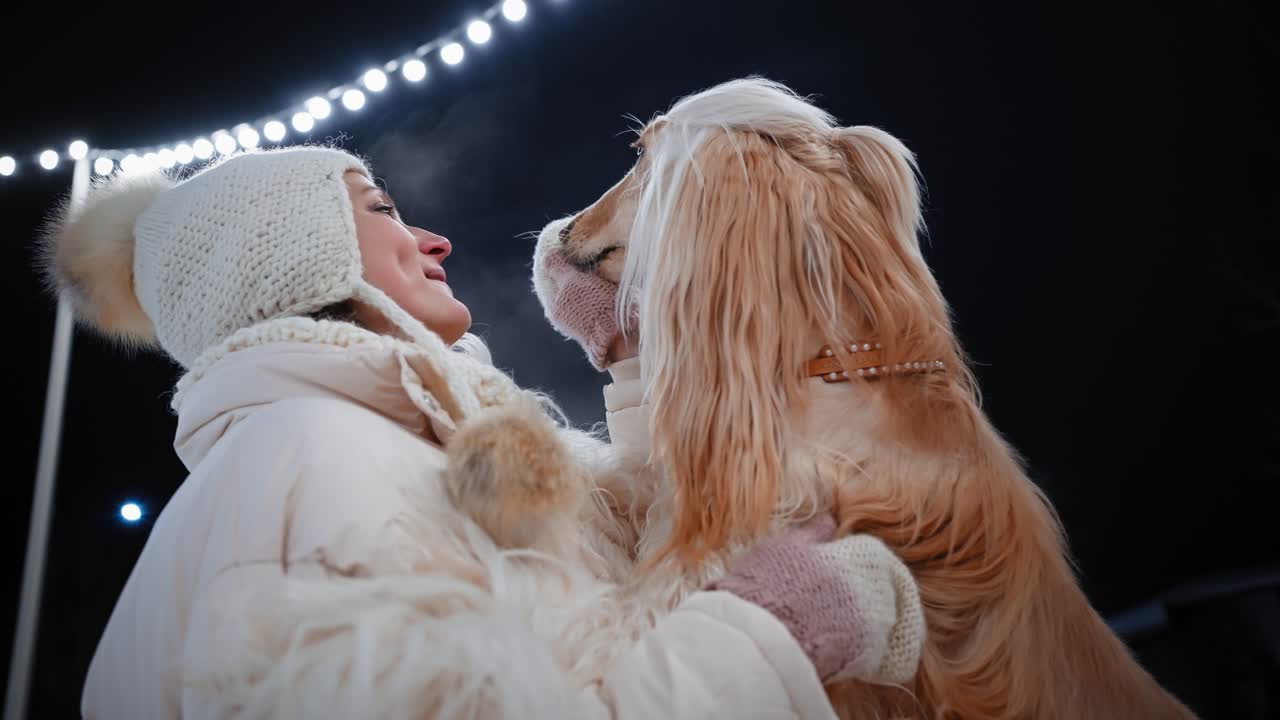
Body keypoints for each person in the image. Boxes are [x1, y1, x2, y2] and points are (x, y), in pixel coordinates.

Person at [41, 144, 924, 719]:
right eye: (381, 210)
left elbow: (620, 605)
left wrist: (633, 355)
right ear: (290, 257)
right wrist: (768, 631)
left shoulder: (392, 441)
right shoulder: (313, 456)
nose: (436, 240)